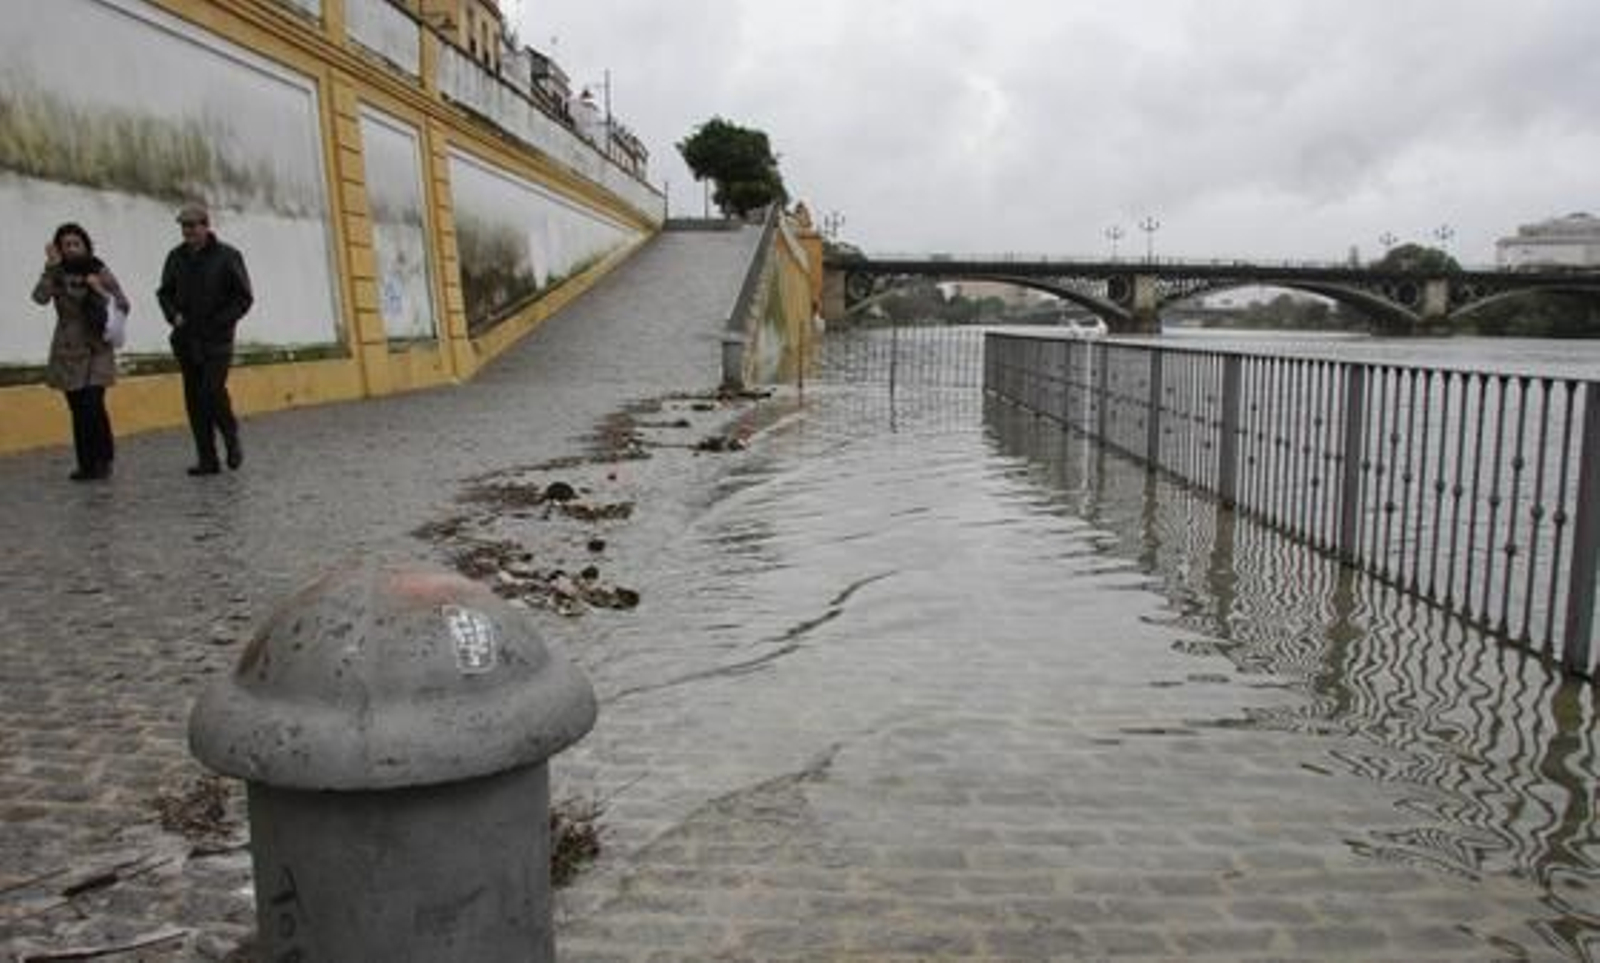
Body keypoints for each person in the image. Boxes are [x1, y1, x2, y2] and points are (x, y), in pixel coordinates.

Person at [157, 202, 253, 476]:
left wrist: (221, 321)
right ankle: (207, 458)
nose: (187, 231)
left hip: (217, 340)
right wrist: (172, 314)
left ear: (205, 226)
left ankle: (230, 435)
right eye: (183, 226)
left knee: (211, 391)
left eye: (192, 226)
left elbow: (243, 297)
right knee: (194, 399)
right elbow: (164, 292)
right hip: (186, 338)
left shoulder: (227, 256)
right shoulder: (175, 257)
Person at [31, 223, 129, 482]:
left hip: (97, 346)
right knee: (77, 406)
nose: (72, 249)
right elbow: (40, 297)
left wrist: (100, 290)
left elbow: (123, 303)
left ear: (86, 245)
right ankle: (86, 463)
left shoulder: (99, 269)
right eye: (66, 245)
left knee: (92, 404)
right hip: (68, 348)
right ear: (60, 249)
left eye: (77, 243)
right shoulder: (56, 273)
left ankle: (103, 459)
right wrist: (51, 268)